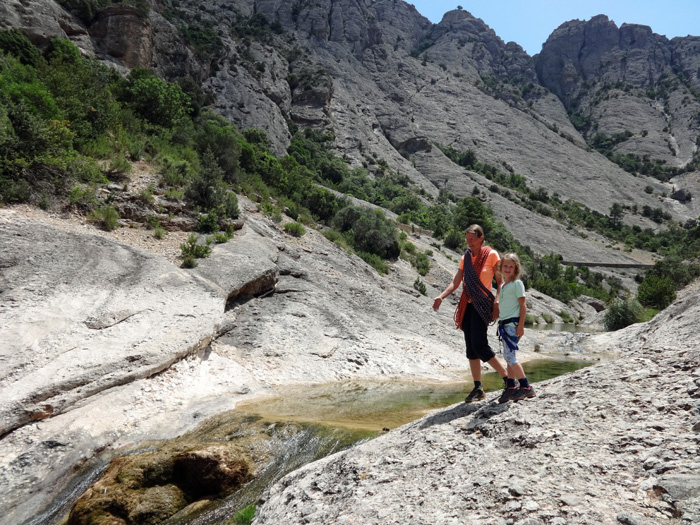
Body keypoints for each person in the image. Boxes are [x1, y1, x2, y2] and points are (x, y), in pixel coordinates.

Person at [432, 224, 509, 403]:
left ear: (481, 238)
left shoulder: (491, 255)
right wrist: (441, 296)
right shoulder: (465, 258)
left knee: (480, 345)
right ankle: (478, 388)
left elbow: (500, 281)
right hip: (467, 305)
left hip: (482, 304)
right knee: (470, 348)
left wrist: (497, 301)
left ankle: (508, 379)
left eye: (472, 239)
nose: (469, 243)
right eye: (467, 239)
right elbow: (456, 281)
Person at [495, 253, 536, 403]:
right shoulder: (502, 285)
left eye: (511, 267)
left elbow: (522, 305)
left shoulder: (517, 284)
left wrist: (521, 326)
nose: (507, 269)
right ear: (501, 267)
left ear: (515, 269)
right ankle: (511, 385)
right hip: (505, 325)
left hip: (512, 325)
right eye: (505, 266)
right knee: (509, 354)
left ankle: (525, 386)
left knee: (509, 356)